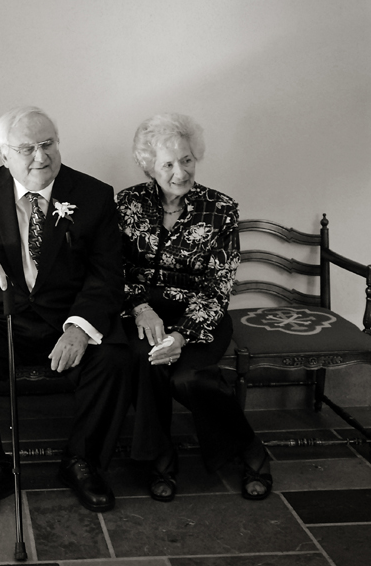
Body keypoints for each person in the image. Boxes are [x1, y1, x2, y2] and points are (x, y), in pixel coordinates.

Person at [0, 106, 134, 519]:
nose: (41, 157)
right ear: (4, 155)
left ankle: (81, 461)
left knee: (115, 356)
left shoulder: (93, 195)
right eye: (27, 149)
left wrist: (80, 328)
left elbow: (107, 274)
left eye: (48, 145)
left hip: (66, 321)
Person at [116, 112, 272, 502]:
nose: (180, 172)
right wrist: (139, 307)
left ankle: (247, 445)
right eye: (168, 163)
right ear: (149, 164)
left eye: (186, 160)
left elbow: (219, 285)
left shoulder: (220, 209)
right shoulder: (127, 203)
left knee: (189, 379)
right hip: (141, 314)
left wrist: (182, 334)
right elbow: (111, 267)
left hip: (200, 316)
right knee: (145, 365)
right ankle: (161, 457)